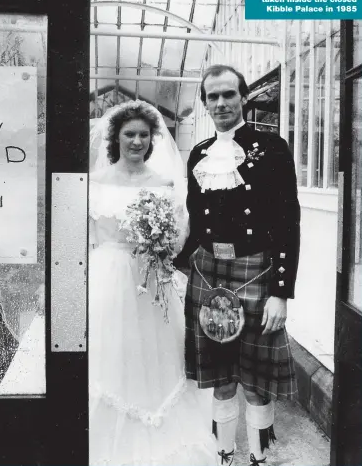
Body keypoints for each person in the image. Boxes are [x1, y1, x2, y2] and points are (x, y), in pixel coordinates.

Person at [175, 65, 301, 466]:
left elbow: (287, 223)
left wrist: (281, 293)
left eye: (229, 94)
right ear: (205, 103)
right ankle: (224, 455)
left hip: (257, 273)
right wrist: (174, 264)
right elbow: (196, 223)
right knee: (220, 378)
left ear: (243, 97)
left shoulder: (273, 147)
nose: (221, 103)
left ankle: (259, 458)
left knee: (255, 383)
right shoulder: (199, 154)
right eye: (212, 96)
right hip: (208, 273)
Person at [88, 100, 217, 466]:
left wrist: (158, 243)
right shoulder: (94, 183)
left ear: (153, 139)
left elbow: (177, 240)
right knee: (111, 350)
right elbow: (85, 237)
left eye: (144, 135)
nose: (137, 141)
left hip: (151, 280)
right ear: (116, 137)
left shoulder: (164, 184)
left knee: (155, 354)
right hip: (107, 277)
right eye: (130, 134)